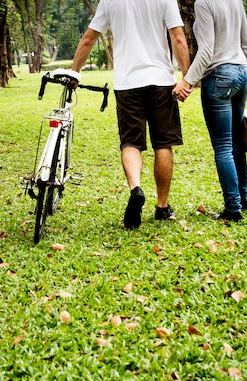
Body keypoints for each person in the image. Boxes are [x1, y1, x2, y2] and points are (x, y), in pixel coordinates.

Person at [70, 0, 191, 229]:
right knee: (163, 143)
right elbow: (177, 37)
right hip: (161, 82)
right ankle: (162, 207)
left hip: (127, 84)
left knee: (130, 142)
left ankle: (136, 189)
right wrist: (187, 76)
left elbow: (88, 39)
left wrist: (74, 72)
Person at [175, 0, 247, 222]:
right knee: (236, 142)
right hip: (241, 73)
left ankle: (233, 208)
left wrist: (187, 82)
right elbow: (246, 42)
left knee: (223, 145)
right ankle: (243, 198)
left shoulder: (204, 3)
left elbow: (206, 50)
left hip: (220, 76)